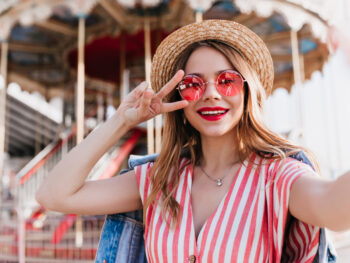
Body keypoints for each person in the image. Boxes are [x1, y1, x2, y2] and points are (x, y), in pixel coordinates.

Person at [36, 20, 346, 262]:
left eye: (227, 80)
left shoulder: (278, 177)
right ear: (179, 99)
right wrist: (121, 121)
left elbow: (336, 208)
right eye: (193, 84)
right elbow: (54, 195)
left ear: (247, 90)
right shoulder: (159, 180)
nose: (211, 93)